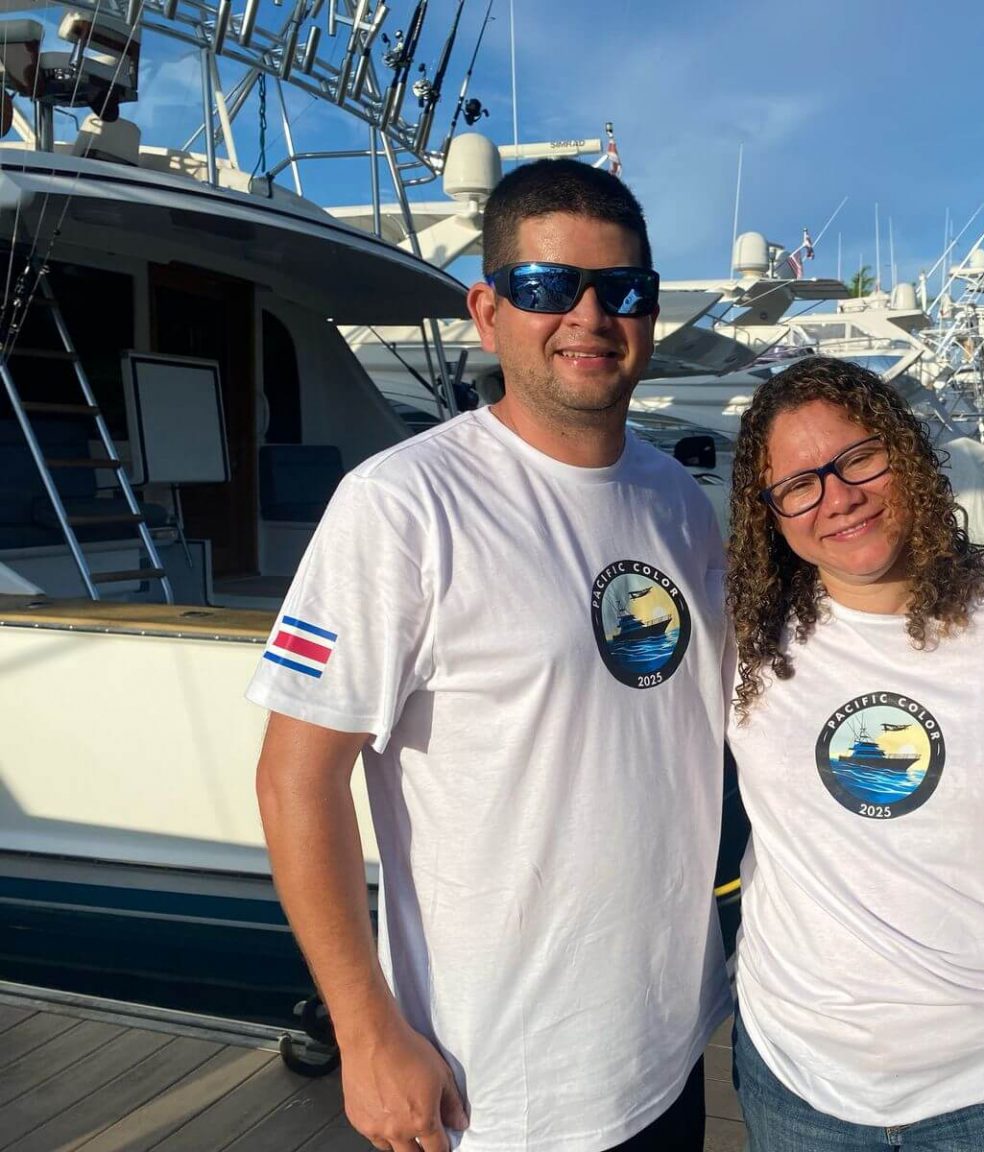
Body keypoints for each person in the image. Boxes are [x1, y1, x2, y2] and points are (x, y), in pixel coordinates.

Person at [250, 159, 730, 1152]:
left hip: (667, 1046)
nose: (589, 316)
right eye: (549, 286)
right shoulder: (402, 503)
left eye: (623, 290)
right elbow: (296, 778)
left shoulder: (678, 501)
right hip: (499, 1089)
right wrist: (365, 1032)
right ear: (488, 310)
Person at [724, 356, 984, 1151]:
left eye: (859, 459)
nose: (838, 497)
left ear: (907, 453)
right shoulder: (747, 641)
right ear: (771, 514)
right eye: (799, 485)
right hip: (798, 1077)